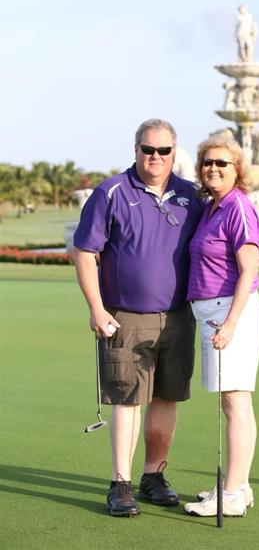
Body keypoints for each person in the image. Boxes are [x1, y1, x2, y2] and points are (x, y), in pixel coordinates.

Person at [73, 118, 203, 517]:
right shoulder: (111, 191)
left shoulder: (190, 196)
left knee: (167, 397)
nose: (156, 158)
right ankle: (120, 484)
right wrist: (96, 308)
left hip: (179, 316)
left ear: (174, 151)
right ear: (136, 151)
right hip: (124, 316)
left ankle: (153, 476)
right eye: (148, 150)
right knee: (128, 401)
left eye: (164, 151)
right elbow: (84, 252)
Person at [184, 135, 259, 518]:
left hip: (229, 312)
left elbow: (249, 270)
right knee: (233, 401)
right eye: (207, 163)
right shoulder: (211, 207)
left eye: (222, 163)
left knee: (235, 402)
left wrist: (231, 323)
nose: (213, 168)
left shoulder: (238, 207)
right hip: (211, 311)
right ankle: (240, 486)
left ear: (237, 169)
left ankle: (231, 493)